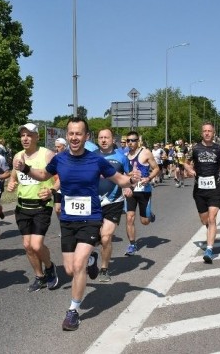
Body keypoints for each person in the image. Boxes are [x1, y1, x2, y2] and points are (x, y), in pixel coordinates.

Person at [13, 117, 134, 331]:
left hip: (90, 218)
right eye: (71, 133)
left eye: (79, 134)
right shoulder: (59, 159)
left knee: (78, 265)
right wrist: (25, 169)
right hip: (68, 220)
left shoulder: (96, 160)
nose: (74, 137)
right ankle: (92, 259)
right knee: (70, 269)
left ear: (87, 137)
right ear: (67, 135)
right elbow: (43, 175)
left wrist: (133, 179)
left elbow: (119, 179)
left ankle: (72, 311)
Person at [7, 124, 59, 292]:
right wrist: (11, 183)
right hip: (22, 206)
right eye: (22, 135)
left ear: (37, 137)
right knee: (27, 246)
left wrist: (52, 190)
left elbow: (62, 177)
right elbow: (13, 176)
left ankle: (50, 267)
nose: (25, 138)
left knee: (36, 245)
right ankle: (40, 276)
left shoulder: (47, 155)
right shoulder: (17, 156)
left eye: (29, 135)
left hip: (41, 206)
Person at [183, 122, 220, 264]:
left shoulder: (219, 149)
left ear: (213, 133)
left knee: (212, 219)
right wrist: (189, 169)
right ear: (202, 133)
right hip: (199, 190)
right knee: (205, 220)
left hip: (215, 188)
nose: (207, 133)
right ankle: (211, 234)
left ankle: (209, 250)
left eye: (209, 131)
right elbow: (185, 162)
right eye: (205, 131)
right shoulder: (195, 148)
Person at [94, 129, 132, 282]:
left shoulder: (121, 157)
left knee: (106, 237)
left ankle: (104, 268)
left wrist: (128, 186)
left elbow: (128, 176)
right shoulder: (91, 156)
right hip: (93, 202)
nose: (103, 140)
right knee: (91, 237)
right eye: (101, 137)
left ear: (112, 139)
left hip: (113, 201)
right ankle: (92, 256)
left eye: (106, 137)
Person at [124, 131, 160, 257]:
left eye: (132, 140)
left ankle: (150, 214)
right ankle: (132, 244)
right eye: (128, 140)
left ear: (138, 140)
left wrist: (149, 178)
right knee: (129, 217)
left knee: (145, 221)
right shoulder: (124, 154)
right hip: (130, 190)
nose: (130, 143)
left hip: (144, 190)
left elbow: (156, 168)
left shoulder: (145, 152)